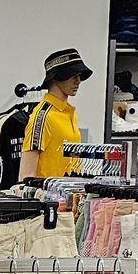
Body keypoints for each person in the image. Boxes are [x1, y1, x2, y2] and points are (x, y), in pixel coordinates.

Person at [19, 47, 92, 180]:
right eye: (72, 75)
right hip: (48, 197)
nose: (78, 81)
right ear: (55, 78)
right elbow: (26, 175)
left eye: (79, 75)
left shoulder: (69, 113)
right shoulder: (42, 116)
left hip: (69, 194)